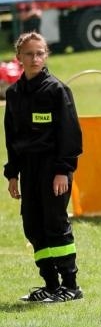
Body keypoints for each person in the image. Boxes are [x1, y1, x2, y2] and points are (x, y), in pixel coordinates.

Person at [3, 31, 84, 303]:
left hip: (54, 169)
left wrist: (63, 169)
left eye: (40, 53)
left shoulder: (57, 90)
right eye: (29, 53)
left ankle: (70, 286)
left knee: (55, 223)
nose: (35, 58)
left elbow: (70, 133)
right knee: (33, 225)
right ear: (19, 58)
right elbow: (11, 137)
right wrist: (12, 173)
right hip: (28, 169)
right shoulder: (13, 95)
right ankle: (50, 285)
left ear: (46, 55)